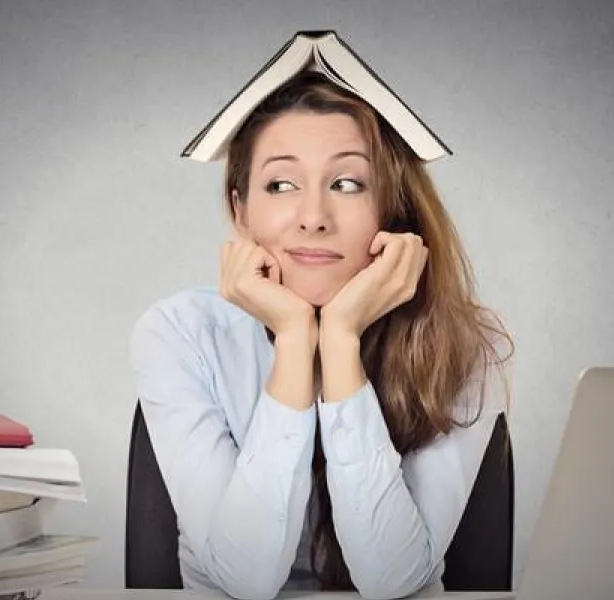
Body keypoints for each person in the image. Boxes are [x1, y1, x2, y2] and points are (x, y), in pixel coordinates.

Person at [129, 68, 514, 600]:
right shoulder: (179, 333)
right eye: (281, 185)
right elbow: (245, 581)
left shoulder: (469, 343)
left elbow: (392, 582)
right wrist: (293, 340)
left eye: (347, 184)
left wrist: (339, 342)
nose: (313, 217)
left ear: (393, 210)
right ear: (240, 212)